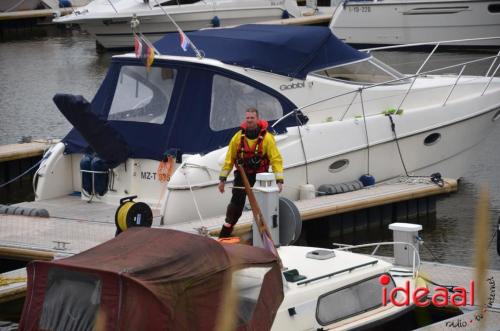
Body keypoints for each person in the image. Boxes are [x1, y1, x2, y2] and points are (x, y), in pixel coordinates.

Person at [218, 107, 284, 238]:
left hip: (260, 177)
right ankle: (225, 231)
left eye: (252, 118)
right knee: (235, 205)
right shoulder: (237, 138)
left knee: (261, 206)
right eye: (247, 118)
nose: (249, 120)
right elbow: (229, 160)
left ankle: (263, 233)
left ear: (257, 119)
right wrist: (222, 180)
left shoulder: (267, 138)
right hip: (242, 176)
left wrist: (279, 180)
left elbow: (276, 159)